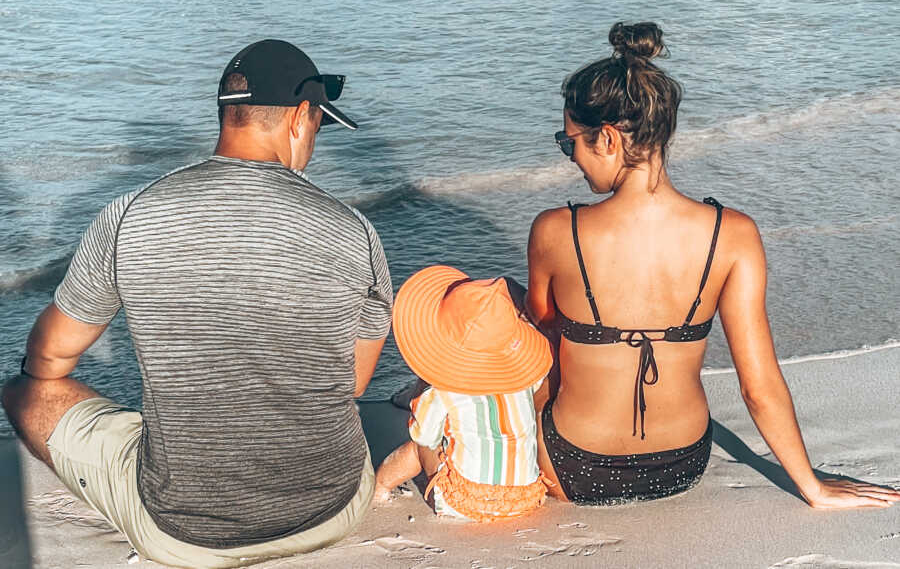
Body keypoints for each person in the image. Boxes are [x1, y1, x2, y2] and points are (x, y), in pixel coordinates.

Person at [2, 39, 394, 568]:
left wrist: (28, 371)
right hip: (335, 507)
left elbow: (51, 358)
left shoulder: (130, 215)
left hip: (182, 535)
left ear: (228, 114)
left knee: (27, 392)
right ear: (301, 117)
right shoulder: (354, 231)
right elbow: (352, 383)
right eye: (320, 127)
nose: (314, 145)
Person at [527, 22, 900, 510]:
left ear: (609, 139)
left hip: (574, 467)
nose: (570, 157)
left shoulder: (556, 230)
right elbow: (758, 383)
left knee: (499, 318)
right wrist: (812, 485)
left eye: (568, 141)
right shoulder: (734, 233)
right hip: (682, 465)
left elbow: (541, 336)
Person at [374, 267, 552, 522]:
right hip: (525, 497)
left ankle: (380, 489)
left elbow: (422, 434)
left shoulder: (443, 390)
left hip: (465, 502)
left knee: (419, 447)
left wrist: (424, 384)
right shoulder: (524, 379)